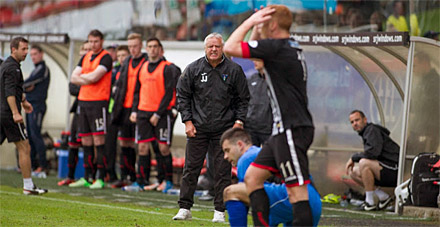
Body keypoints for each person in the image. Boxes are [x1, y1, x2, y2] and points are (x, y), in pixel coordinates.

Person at [224, 5, 315, 226]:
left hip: (292, 129)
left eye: (265, 23)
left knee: (297, 193)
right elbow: (255, 55)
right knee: (253, 178)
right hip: (281, 131)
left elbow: (230, 47)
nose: (261, 27)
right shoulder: (285, 47)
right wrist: (258, 25)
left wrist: (251, 22)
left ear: (272, 25)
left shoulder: (276, 48)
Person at [173, 32, 249, 223]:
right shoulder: (194, 69)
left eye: (217, 46)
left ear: (222, 48)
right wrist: (187, 121)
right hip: (198, 128)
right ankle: (184, 208)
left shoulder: (234, 70)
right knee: (191, 168)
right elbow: (182, 96)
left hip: (224, 130)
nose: (214, 49)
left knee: (222, 171)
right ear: (205, 48)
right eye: (210, 46)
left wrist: (239, 122)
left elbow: (243, 99)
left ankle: (219, 211)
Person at [221, 128, 321, 226]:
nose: (225, 156)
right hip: (311, 200)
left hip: (293, 196)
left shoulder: (246, 158)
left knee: (230, 192)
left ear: (240, 145)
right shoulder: (261, 152)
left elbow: (254, 198)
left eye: (227, 150)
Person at [127, 37, 181, 193]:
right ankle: (141, 182)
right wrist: (134, 110)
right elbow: (137, 91)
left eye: (155, 46)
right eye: (149, 46)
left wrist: (158, 113)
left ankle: (167, 181)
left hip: (162, 114)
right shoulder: (142, 68)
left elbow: (169, 92)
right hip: (143, 112)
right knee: (142, 148)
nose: (152, 49)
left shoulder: (167, 68)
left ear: (160, 49)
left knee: (163, 147)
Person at [0, 36, 48, 195]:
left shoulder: (7, 65)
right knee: (24, 146)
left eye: (27, 49)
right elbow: (9, 93)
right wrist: (15, 112)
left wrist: (24, 101)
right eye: (24, 49)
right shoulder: (13, 68)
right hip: (8, 113)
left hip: (2, 112)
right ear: (14, 49)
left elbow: (14, 89)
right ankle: (28, 185)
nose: (26, 53)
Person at [70, 29, 113, 189]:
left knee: (99, 140)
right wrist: (86, 79)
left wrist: (83, 78)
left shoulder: (106, 57)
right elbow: (73, 77)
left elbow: (96, 76)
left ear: (101, 41)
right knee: (86, 140)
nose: (93, 44)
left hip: (98, 102)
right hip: (83, 101)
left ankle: (100, 177)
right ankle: (87, 176)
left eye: (96, 41)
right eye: (90, 41)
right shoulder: (85, 57)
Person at [111, 33, 148, 188]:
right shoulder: (126, 62)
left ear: (141, 46)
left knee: (140, 144)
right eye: (130, 46)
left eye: (135, 46)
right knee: (124, 143)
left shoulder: (146, 62)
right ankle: (127, 175)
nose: (133, 49)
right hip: (124, 107)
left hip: (139, 108)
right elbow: (120, 86)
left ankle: (141, 179)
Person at [345, 110, 399, 211]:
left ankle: (370, 202)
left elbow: (373, 153)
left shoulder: (372, 130)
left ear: (365, 120)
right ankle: (383, 197)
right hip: (384, 169)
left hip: (394, 169)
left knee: (364, 163)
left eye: (357, 120)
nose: (355, 124)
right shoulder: (366, 132)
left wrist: (353, 157)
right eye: (352, 122)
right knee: (353, 172)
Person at [58, 41, 91, 186]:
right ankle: (70, 176)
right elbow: (72, 88)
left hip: (91, 109)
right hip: (78, 109)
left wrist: (84, 85)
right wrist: (87, 86)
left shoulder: (95, 68)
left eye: (88, 49)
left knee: (90, 143)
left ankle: (90, 176)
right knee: (73, 143)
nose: (85, 52)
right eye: (84, 49)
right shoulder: (78, 68)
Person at [22, 44, 50, 177]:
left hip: (38, 106)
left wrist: (22, 86)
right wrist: (26, 87)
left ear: (41, 54)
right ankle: (32, 165)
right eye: (31, 55)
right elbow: (28, 85)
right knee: (30, 136)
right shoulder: (35, 69)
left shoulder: (43, 69)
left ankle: (43, 166)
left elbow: (28, 83)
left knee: (36, 135)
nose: (33, 57)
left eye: (35, 54)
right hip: (29, 105)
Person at [245, 59, 272, 147]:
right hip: (250, 128)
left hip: (268, 129)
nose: (254, 62)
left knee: (268, 158)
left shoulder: (274, 80)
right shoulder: (251, 79)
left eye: (257, 59)